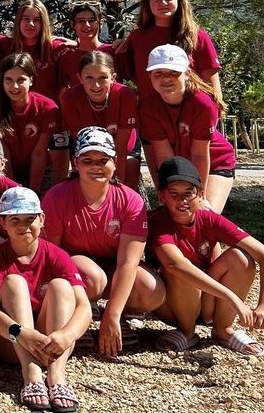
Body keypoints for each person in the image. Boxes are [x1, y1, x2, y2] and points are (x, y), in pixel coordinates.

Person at [42, 128, 166, 357]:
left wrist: (112, 314)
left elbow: (128, 262)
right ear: (75, 163)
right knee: (93, 277)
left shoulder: (131, 200)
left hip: (113, 265)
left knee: (151, 290)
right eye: (87, 160)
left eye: (103, 160)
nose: (96, 167)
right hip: (76, 270)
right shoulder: (56, 197)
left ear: (115, 163)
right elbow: (51, 254)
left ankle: (119, 317)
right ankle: (78, 316)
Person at [149, 157, 264, 355]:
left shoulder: (209, 219)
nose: (182, 200)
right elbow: (175, 264)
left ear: (200, 194)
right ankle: (187, 331)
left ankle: (223, 329)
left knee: (241, 258)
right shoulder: (158, 221)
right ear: (162, 196)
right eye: (173, 193)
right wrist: (232, 298)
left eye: (188, 193)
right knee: (179, 271)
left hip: (208, 300)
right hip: (173, 304)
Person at [0, 187, 91, 413]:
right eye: (15, 219)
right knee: (14, 282)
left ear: (41, 219)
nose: (23, 226)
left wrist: (67, 335)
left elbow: (84, 306)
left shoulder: (57, 254)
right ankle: (30, 374)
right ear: (3, 223)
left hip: (50, 344)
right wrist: (20, 332)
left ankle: (57, 375)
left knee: (61, 285)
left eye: (30, 218)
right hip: (12, 341)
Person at [138, 45, 235, 212]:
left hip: (215, 163)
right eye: (158, 73)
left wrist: (199, 194)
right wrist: (166, 189)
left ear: (187, 73)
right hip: (179, 165)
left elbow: (199, 154)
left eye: (173, 72)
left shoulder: (202, 104)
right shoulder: (148, 107)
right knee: (175, 213)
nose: (166, 79)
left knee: (203, 213)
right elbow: (164, 157)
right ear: (150, 76)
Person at [119, 0, 222, 100]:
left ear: (179, 0)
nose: (163, 3)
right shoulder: (136, 38)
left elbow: (213, 88)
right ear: (147, 3)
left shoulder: (197, 36)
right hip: (149, 110)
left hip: (189, 110)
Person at [0, 54, 60, 193]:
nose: (14, 86)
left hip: (40, 170)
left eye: (21, 80)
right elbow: (3, 153)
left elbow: (39, 153)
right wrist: (12, 191)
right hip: (4, 168)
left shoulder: (47, 107)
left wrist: (33, 191)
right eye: (8, 80)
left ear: (31, 80)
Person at [58, 51, 139, 189]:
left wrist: (115, 187)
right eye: (89, 77)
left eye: (103, 77)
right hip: (89, 149)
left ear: (113, 78)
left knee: (131, 165)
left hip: (122, 149)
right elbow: (79, 142)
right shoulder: (70, 98)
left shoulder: (125, 95)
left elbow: (121, 146)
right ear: (80, 78)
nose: (96, 85)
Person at [0, 0, 64, 103]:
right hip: (11, 110)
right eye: (26, 19)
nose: (30, 24)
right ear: (19, 21)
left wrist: (75, 43)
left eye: (36, 20)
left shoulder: (55, 48)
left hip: (46, 110)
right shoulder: (4, 45)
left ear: (43, 23)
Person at [55, 2, 112, 93]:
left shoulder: (114, 51)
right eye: (81, 21)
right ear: (73, 24)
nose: (87, 25)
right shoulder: (67, 58)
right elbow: (62, 91)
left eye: (92, 20)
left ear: (101, 23)